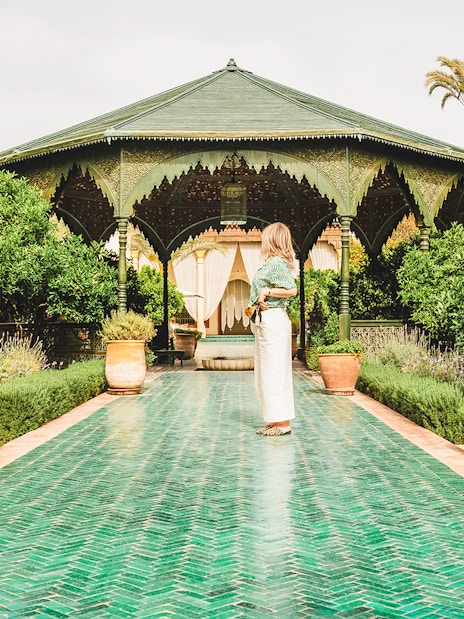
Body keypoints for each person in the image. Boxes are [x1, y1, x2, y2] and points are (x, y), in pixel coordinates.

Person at [248, 222, 298, 436]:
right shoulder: (272, 263)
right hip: (266, 321)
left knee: (275, 372)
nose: (262, 241)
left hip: (274, 322)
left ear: (272, 240)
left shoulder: (277, 262)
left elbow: (292, 290)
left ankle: (283, 423)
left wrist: (267, 291)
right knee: (266, 372)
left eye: (265, 237)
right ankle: (274, 419)